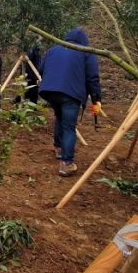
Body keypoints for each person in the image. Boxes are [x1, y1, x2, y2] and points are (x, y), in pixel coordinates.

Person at [38, 28, 102, 177]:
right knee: (69, 127)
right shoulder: (86, 51)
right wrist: (96, 99)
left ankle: (59, 148)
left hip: (50, 92)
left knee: (60, 117)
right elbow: (92, 77)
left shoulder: (54, 49)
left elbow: (41, 69)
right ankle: (66, 163)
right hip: (71, 94)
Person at [13, 39, 42, 105]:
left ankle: (16, 100)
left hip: (35, 73)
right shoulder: (32, 49)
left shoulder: (37, 50)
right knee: (33, 91)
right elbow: (27, 59)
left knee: (32, 90)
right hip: (31, 73)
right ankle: (32, 106)